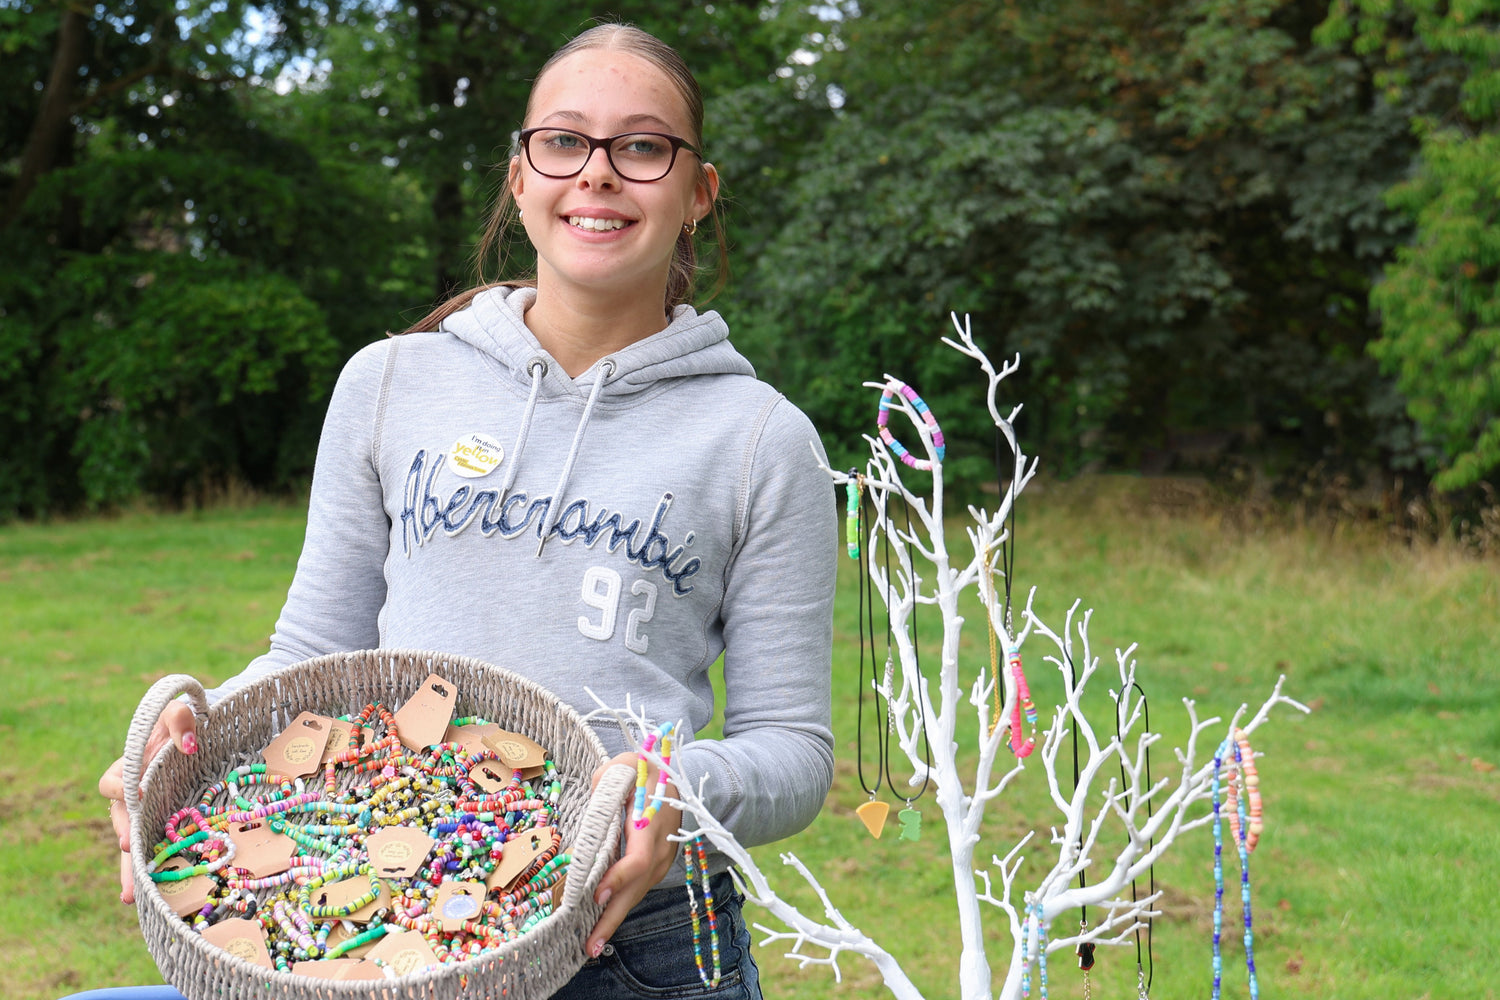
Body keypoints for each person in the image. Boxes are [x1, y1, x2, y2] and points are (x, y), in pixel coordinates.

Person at [92, 22, 837, 1000]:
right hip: (393, 913)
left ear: (698, 193)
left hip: (639, 945)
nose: (599, 173)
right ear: (521, 178)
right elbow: (310, 654)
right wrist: (196, 723)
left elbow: (795, 749)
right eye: (565, 141)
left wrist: (672, 792)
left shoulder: (759, 438)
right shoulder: (390, 382)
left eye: (643, 146)